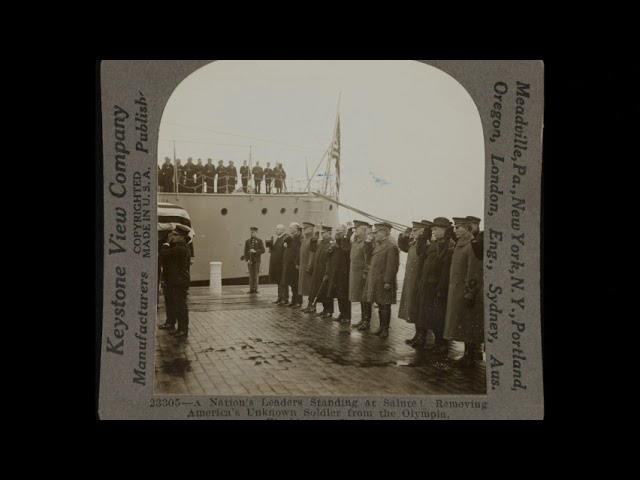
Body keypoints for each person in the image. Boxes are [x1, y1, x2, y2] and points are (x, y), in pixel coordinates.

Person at [444, 217, 484, 367]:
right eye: (454, 227)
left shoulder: (472, 245)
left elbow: (474, 272)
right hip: (457, 290)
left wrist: (470, 293)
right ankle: (469, 355)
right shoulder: (460, 245)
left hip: (466, 292)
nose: (455, 230)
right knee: (464, 322)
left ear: (467, 229)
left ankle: (470, 357)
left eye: (458, 227)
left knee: (468, 323)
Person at [414, 217, 453, 351]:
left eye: (435, 229)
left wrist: (440, 288)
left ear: (444, 230)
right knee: (427, 313)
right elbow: (420, 252)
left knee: (438, 316)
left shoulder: (447, 244)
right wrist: (423, 237)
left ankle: (441, 344)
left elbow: (443, 259)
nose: (434, 232)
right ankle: (436, 342)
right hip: (427, 284)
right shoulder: (434, 244)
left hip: (437, 286)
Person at [363, 223, 400, 338]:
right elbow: (368, 256)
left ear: (385, 233)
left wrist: (388, 281)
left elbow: (392, 266)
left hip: (384, 282)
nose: (374, 235)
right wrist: (368, 243)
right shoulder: (378, 245)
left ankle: (385, 329)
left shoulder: (391, 246)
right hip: (376, 281)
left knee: (385, 305)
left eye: (377, 232)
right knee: (380, 304)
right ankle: (381, 327)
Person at [398, 221, 429, 344]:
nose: (412, 233)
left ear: (423, 231)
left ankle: (422, 336)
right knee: (414, 309)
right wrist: (403, 236)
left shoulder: (425, 244)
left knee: (420, 309)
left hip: (419, 281)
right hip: (412, 280)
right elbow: (403, 247)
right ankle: (418, 334)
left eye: (415, 230)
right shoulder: (414, 243)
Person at [158, 224, 192, 337]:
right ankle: (170, 322)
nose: (172, 235)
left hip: (179, 280)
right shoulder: (176, 245)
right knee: (170, 302)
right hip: (172, 279)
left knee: (180, 305)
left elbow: (163, 254)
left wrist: (166, 244)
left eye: (175, 234)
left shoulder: (180, 248)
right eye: (172, 233)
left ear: (182, 237)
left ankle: (183, 329)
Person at [348, 220, 373, 330]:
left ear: (363, 231)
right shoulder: (356, 241)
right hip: (355, 273)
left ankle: (367, 321)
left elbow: (368, 259)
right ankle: (363, 319)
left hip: (362, 274)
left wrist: (365, 273)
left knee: (365, 297)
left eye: (357, 229)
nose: (355, 230)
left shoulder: (366, 243)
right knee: (360, 297)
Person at [326, 224, 352, 323]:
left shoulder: (347, 242)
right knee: (338, 294)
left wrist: (344, 240)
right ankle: (342, 313)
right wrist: (331, 248)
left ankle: (347, 316)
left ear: (344, 232)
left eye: (338, 231)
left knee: (344, 295)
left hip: (344, 273)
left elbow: (346, 252)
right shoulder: (334, 243)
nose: (336, 233)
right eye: (336, 231)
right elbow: (327, 255)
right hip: (335, 272)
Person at [308, 225, 334, 317]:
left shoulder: (331, 243)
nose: (322, 234)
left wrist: (327, 272)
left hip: (325, 270)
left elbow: (330, 259)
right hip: (318, 269)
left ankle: (329, 310)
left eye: (324, 232)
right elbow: (313, 249)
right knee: (320, 290)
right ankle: (324, 309)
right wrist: (314, 239)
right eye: (322, 233)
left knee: (326, 291)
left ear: (329, 233)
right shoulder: (321, 242)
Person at [267, 224, 288, 304]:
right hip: (276, 264)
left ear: (283, 230)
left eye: (278, 229)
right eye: (276, 229)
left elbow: (284, 251)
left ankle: (284, 298)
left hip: (281, 264)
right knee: (278, 281)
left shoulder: (285, 238)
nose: (276, 230)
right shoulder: (279, 238)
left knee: (283, 282)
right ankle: (280, 297)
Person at [282, 222, 302, 307]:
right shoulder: (293, 237)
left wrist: (297, 262)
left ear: (296, 228)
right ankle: (293, 301)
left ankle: (298, 301)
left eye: (291, 228)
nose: (289, 229)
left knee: (296, 284)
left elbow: (298, 251)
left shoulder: (298, 237)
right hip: (290, 264)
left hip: (294, 264)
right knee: (292, 284)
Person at [298, 222, 316, 312]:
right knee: (306, 287)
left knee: (310, 287)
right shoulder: (305, 239)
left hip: (308, 267)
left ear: (311, 229)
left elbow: (312, 254)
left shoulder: (312, 240)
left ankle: (312, 305)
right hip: (303, 266)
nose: (303, 230)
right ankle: (309, 305)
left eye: (306, 228)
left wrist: (310, 267)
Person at [244, 227, 265, 293]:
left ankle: (256, 289)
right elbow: (245, 251)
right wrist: (247, 259)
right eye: (251, 232)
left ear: (256, 232)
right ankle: (251, 289)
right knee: (251, 275)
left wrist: (255, 251)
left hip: (257, 260)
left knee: (256, 275)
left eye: (254, 232)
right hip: (250, 260)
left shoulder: (259, 241)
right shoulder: (247, 241)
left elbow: (263, 250)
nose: (252, 233)